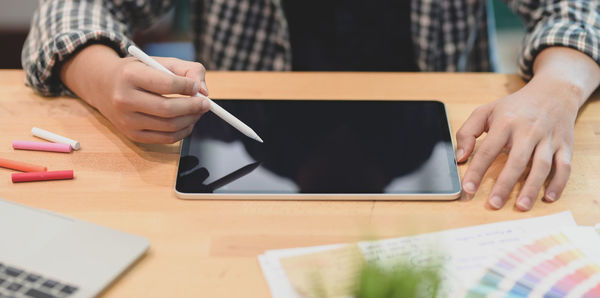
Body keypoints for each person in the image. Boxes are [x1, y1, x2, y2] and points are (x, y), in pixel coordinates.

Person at [21, 0, 600, 212]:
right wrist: (102, 77)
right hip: (239, 195)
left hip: (448, 174)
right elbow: (68, 10)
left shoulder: (418, 156)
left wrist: (560, 85)